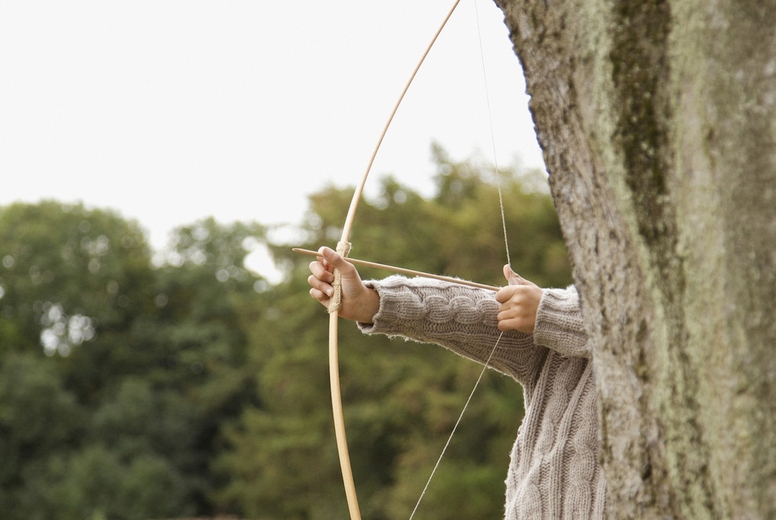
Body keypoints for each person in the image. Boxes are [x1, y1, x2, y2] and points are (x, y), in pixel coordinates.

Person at [307, 246, 606, 519]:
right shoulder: (567, 325)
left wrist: (549, 311)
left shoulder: (586, 319)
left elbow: (644, 331)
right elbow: (477, 310)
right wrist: (370, 301)